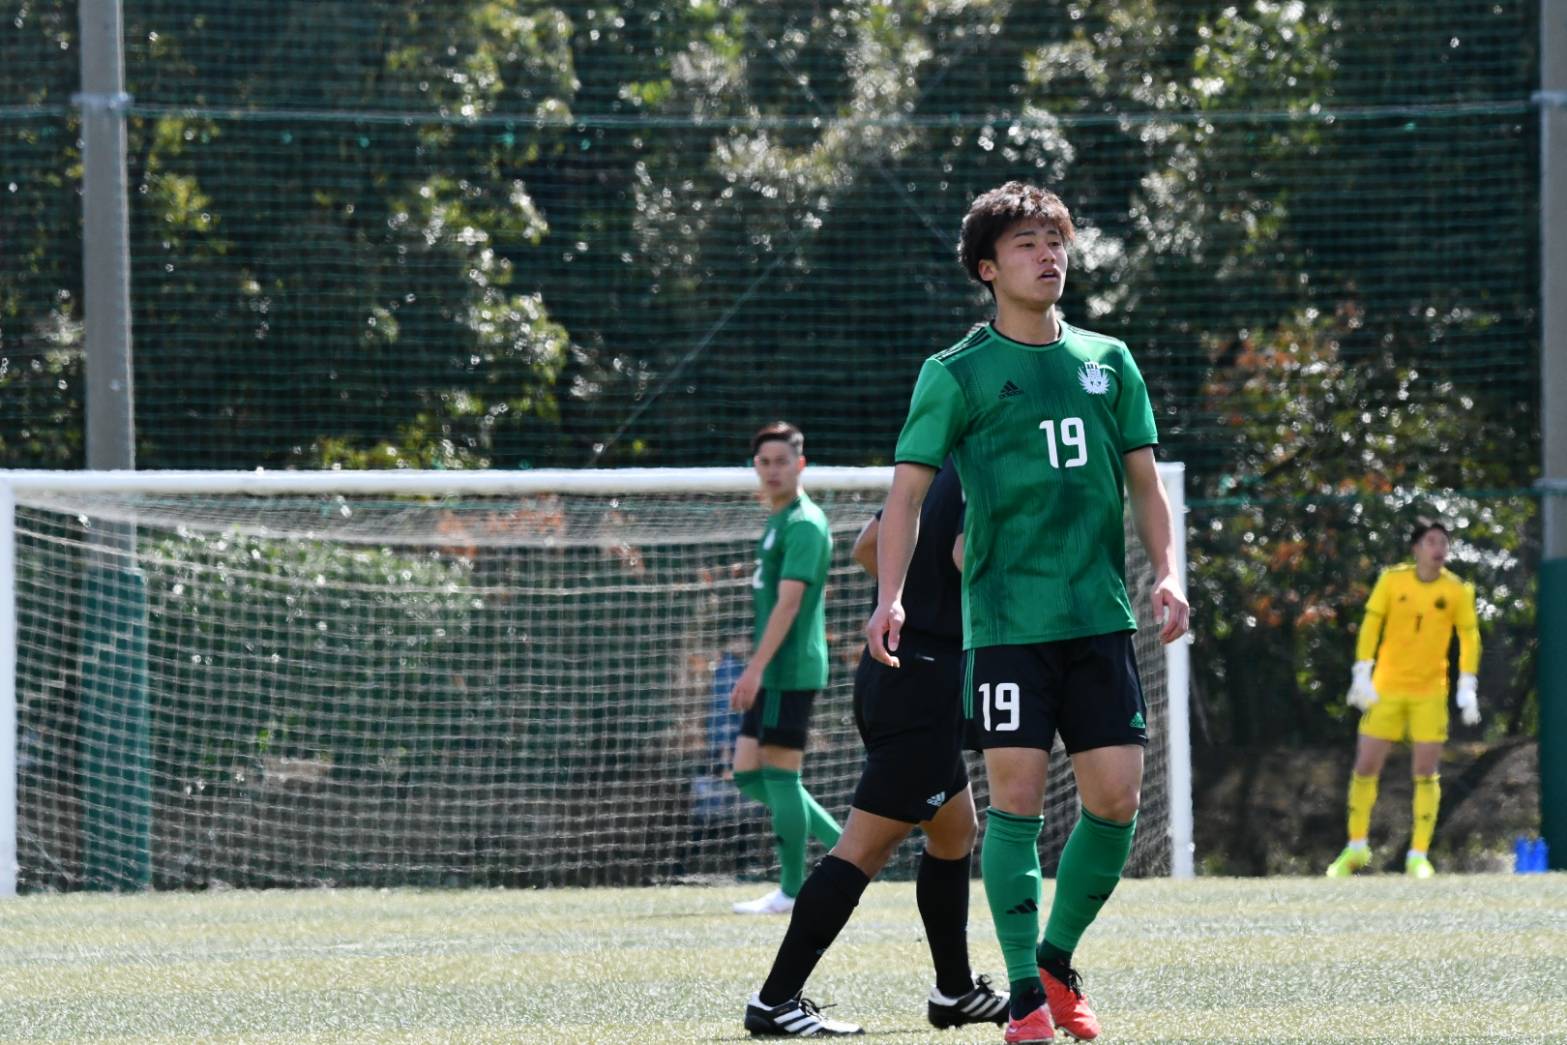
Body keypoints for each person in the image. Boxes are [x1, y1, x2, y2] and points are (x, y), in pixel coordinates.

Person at [866, 181, 1189, 1045]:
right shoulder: (955, 372)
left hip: (1099, 620)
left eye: (1055, 241)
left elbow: (1144, 485)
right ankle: (1020, 995)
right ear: (987, 268)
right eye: (1025, 244)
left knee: (1115, 800)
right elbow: (905, 498)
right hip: (1007, 627)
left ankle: (1054, 958)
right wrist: (891, 594)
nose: (1048, 255)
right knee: (1014, 801)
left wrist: (1167, 573)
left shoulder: (1108, 361)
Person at [743, 459, 1009, 1037]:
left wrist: (913, 599)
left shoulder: (937, 470)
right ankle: (775, 1000)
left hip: (891, 668)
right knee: (860, 851)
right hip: (925, 683)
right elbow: (967, 555)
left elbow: (868, 545)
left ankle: (955, 991)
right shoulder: (993, 471)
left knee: (954, 830)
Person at [1325, 516, 1482, 880]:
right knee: (1366, 765)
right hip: (1387, 689)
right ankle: (1356, 848)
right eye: (1431, 541)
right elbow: (1371, 624)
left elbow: (1469, 636)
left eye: (1444, 542)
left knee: (1425, 771)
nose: (1439, 548)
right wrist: (1362, 671)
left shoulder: (1457, 590)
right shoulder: (1392, 580)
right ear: (1416, 548)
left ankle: (1418, 855)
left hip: (1430, 692)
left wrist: (1467, 684)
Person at [729, 421, 843, 915]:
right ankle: (848, 849)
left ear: (801, 465)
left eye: (782, 461)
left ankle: (793, 890)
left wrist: (755, 668)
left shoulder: (804, 523)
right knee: (746, 774)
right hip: (773, 668)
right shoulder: (778, 519)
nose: (772, 470)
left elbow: (790, 603)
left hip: (787, 668)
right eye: (764, 462)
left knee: (780, 778)